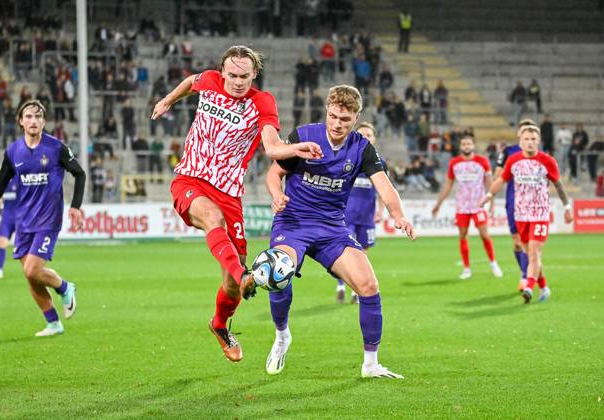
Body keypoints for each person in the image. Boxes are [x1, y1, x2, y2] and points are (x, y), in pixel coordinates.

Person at [151, 45, 323, 363]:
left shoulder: (262, 101)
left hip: (229, 193)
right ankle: (246, 274)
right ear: (223, 71)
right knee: (212, 220)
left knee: (230, 286)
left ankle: (219, 325)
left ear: (253, 74)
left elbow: (271, 146)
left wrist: (295, 148)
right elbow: (191, 81)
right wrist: (167, 100)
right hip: (190, 179)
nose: (237, 81)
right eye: (232, 75)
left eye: (244, 76)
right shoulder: (210, 81)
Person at [263, 85, 416, 379]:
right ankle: (282, 335)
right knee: (276, 274)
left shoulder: (361, 148)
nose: (336, 124)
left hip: (332, 227)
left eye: (344, 120)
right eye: (332, 116)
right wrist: (275, 195)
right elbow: (274, 174)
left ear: (356, 118)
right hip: (293, 222)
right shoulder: (304, 135)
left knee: (369, 285)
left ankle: (370, 365)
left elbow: (384, 185)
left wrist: (398, 216)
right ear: (327, 111)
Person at [0, 100, 86, 336]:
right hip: (23, 220)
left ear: (44, 122)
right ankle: (53, 322)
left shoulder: (56, 147)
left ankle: (66, 287)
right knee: (31, 277)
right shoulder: (13, 151)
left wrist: (75, 206)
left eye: (38, 117)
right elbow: (2, 179)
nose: (33, 121)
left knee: (32, 270)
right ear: (21, 121)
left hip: (48, 219)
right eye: (28, 117)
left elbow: (80, 173)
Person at [480, 122, 573, 303]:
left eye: (533, 139)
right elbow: (502, 179)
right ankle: (543, 286)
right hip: (521, 214)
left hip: (540, 214)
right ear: (520, 141)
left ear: (538, 141)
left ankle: (529, 287)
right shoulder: (513, 161)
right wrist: (489, 195)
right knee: (529, 252)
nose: (530, 142)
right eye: (526, 139)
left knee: (533, 251)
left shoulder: (547, 161)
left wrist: (567, 208)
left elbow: (558, 184)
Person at [432, 134, 503, 280]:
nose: (466, 146)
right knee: (463, 235)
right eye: (464, 144)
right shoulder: (454, 163)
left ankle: (493, 263)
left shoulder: (482, 161)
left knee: (484, 234)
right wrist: (438, 204)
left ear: (473, 145)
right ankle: (467, 269)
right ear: (460, 146)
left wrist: (492, 203)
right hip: (462, 206)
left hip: (479, 205)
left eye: (468, 144)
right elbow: (448, 185)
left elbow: (490, 182)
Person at [335, 122, 386, 304]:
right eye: (361, 134)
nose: (365, 137)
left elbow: (383, 190)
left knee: (363, 253)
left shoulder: (380, 163)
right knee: (346, 252)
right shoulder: (345, 159)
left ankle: (356, 290)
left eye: (369, 135)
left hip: (367, 216)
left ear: (374, 139)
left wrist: (380, 211)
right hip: (345, 215)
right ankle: (342, 285)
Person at [493, 120, 536, 291]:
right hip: (513, 201)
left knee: (531, 243)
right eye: (524, 131)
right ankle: (525, 272)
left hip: (532, 203)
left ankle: (527, 277)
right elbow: (498, 175)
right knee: (517, 242)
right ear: (519, 134)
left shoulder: (539, 154)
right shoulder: (508, 152)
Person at [0, 176, 20, 279]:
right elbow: (0, 197)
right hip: (6, 218)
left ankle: (33, 270)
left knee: (25, 246)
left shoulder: (20, 179)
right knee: (1, 242)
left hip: (20, 217)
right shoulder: (4, 182)